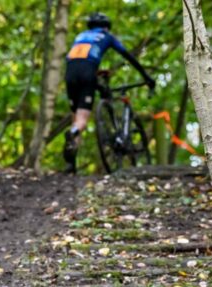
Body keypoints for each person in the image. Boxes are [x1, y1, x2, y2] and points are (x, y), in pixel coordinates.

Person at [63, 12, 156, 173]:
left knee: (75, 118)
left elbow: (80, 61)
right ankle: (73, 132)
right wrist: (147, 77)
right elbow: (128, 56)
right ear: (106, 27)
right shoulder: (106, 36)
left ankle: (71, 165)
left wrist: (96, 73)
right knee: (82, 120)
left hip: (70, 74)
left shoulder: (80, 36)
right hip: (87, 73)